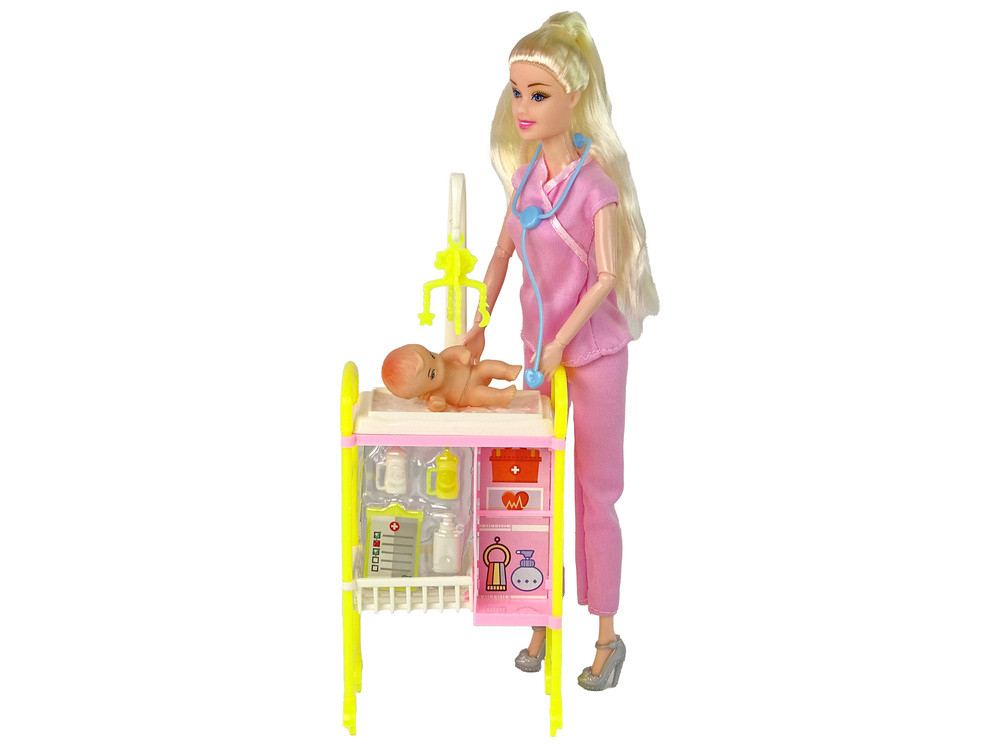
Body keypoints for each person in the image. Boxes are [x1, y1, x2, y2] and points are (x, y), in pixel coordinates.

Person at [463, 11, 658, 690]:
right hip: (534, 356)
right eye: (517, 91)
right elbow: (500, 254)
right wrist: (478, 323)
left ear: (574, 96)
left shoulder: (597, 188)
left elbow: (605, 278)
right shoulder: (523, 181)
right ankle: (537, 613)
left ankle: (606, 634)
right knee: (531, 486)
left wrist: (560, 346)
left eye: (538, 94)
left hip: (593, 355)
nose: (523, 106)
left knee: (595, 492)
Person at [381, 343, 520, 411]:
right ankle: (501, 397)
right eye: (433, 374)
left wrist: (462, 354)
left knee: (486, 366)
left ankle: (507, 371)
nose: (438, 362)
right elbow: (438, 404)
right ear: (422, 393)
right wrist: (437, 405)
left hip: (475, 372)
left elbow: (455, 351)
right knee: (480, 393)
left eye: (431, 355)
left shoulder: (444, 357)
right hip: (468, 394)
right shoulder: (435, 393)